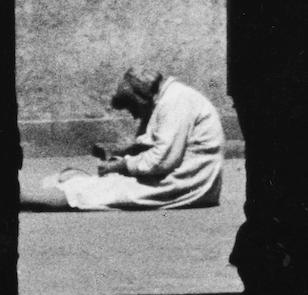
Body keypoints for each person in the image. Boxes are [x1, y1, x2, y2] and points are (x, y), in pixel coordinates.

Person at [20, 69, 225, 211]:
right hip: (183, 180)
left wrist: (120, 166)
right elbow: (159, 148)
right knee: (76, 178)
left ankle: (17, 198)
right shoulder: (169, 98)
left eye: (132, 108)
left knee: (88, 191)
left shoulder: (174, 102)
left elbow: (161, 160)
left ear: (141, 99)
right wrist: (122, 155)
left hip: (182, 185)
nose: (134, 116)